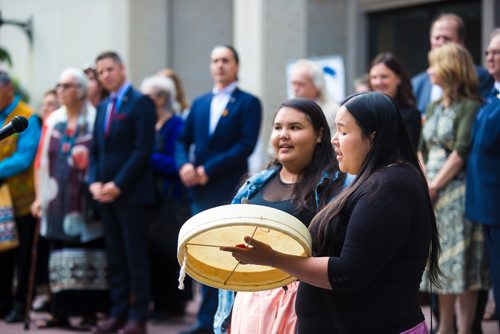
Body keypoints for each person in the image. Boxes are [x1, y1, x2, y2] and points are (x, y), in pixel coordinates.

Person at [221, 91, 441, 333]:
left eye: (344, 132)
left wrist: (273, 258)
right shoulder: (378, 180)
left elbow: (349, 272)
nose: (335, 140)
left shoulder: (389, 185)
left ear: (373, 138)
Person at [214, 98, 348, 334]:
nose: (283, 135)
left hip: (303, 306)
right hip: (250, 302)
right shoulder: (252, 186)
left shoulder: (335, 187)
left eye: (294, 127)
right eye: (278, 128)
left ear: (319, 135)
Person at [176, 45, 262, 334]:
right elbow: (181, 141)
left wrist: (206, 170)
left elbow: (244, 146)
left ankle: (227, 319)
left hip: (228, 189)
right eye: (215, 60)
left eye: (225, 60)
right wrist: (183, 166)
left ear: (236, 66)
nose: (220, 65)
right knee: (204, 254)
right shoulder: (199, 104)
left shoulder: (248, 102)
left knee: (228, 255)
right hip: (199, 193)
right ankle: (204, 321)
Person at [30, 68, 109, 330]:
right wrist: (39, 196)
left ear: (82, 90)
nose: (62, 90)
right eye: (60, 85)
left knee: (88, 256)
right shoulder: (53, 120)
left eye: (68, 86)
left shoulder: (95, 118)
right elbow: (40, 161)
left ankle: (88, 313)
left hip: (84, 202)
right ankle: (58, 311)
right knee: (57, 255)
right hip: (56, 200)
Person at [418, 42, 489, 334]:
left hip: (456, 192)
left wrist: (434, 185)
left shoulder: (470, 106)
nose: (429, 71)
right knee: (442, 263)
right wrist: (426, 184)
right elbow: (421, 148)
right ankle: (444, 328)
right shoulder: (434, 106)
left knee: (463, 263)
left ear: (449, 68)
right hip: (432, 192)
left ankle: (464, 329)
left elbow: (461, 151)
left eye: (434, 64)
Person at [89, 51, 156, 334]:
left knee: (135, 257)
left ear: (122, 68)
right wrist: (93, 182)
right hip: (104, 194)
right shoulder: (104, 106)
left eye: (109, 69)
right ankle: (117, 312)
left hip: (131, 195)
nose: (105, 75)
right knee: (114, 256)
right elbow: (95, 151)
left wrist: (118, 185)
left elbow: (142, 151)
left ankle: (138, 316)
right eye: (100, 72)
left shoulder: (140, 103)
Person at [140, 75, 191, 321]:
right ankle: (157, 302)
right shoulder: (147, 125)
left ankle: (173, 304)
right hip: (150, 198)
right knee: (152, 250)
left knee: (169, 251)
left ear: (161, 98)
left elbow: (178, 163)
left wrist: (147, 157)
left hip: (172, 197)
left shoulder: (176, 124)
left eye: (148, 96)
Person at [0, 70, 42, 322]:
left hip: (24, 201)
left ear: (7, 89)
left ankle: (19, 304)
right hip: (1, 200)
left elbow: (25, 157)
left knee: (23, 256)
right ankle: (3, 302)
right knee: (2, 254)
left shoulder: (27, 117)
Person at [466, 28, 500, 331]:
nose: (490, 56)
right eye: (489, 51)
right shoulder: (490, 95)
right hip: (485, 207)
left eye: (497, 52)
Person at [412, 13, 494, 115]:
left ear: (461, 43)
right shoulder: (417, 84)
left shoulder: (481, 78)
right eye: (437, 38)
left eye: (447, 38)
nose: (441, 43)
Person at [368, 52, 421, 149]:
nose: (378, 82)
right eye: (374, 77)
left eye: (384, 77)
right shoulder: (365, 112)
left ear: (398, 79)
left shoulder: (411, 115)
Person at [289, 59, 339, 136]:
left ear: (317, 85)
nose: (295, 88)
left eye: (301, 84)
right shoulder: (286, 111)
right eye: (293, 83)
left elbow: (333, 145)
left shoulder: (333, 112)